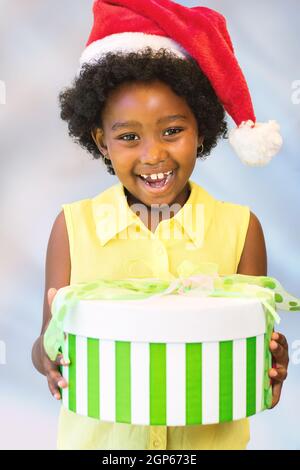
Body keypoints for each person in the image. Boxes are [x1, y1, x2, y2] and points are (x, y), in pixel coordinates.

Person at [31, 0, 289, 450]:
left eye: (172, 130)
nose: (153, 155)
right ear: (101, 141)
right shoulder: (73, 227)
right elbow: (47, 343)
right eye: (129, 137)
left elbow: (254, 348)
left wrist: (272, 359)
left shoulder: (241, 228)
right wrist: (48, 358)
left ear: (201, 129)